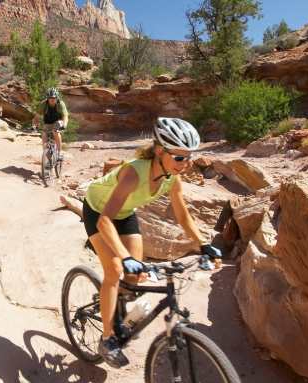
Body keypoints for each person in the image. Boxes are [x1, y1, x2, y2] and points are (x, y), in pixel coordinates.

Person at [81, 117, 223, 368]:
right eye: (179, 157)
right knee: (115, 269)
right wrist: (124, 257)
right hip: (97, 212)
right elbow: (104, 222)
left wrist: (203, 245)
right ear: (160, 151)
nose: (186, 164)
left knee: (136, 276)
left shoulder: (172, 176)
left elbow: (182, 214)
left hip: (124, 214)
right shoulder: (133, 173)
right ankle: (107, 339)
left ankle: (117, 308)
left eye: (189, 157)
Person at [34, 88, 69, 160]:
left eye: (54, 98)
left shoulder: (60, 104)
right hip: (47, 123)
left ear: (57, 98)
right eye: (50, 98)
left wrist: (64, 125)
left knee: (55, 131)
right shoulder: (43, 104)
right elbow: (36, 117)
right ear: (47, 98)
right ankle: (46, 155)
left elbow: (65, 116)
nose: (52, 99)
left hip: (58, 122)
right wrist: (35, 125)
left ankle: (59, 153)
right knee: (44, 134)